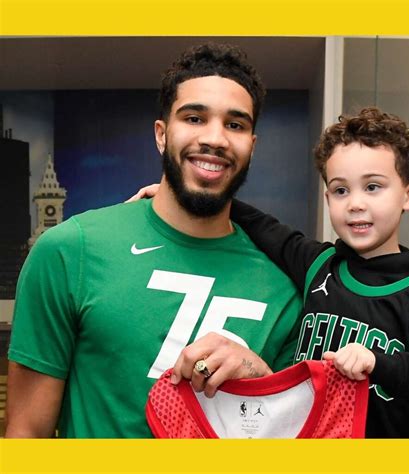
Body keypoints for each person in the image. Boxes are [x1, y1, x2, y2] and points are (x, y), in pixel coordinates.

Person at [5, 43, 302, 438]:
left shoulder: (284, 288)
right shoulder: (69, 251)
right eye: (194, 117)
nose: (215, 138)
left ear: (252, 146)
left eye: (235, 124)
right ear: (162, 135)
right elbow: (26, 435)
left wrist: (263, 381)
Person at [133, 107, 409, 437]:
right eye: (341, 190)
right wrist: (178, 197)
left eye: (372, 187)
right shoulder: (320, 265)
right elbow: (264, 227)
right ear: (328, 199)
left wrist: (379, 364)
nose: (355, 203)